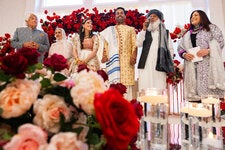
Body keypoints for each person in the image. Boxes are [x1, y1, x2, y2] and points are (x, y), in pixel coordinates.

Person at [177, 10, 225, 101]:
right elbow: (180, 48)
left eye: (196, 15)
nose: (193, 17)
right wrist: (184, 54)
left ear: (202, 16)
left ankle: (212, 114)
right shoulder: (187, 34)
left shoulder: (211, 28)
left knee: (210, 99)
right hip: (191, 67)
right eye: (191, 16)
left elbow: (220, 42)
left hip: (208, 66)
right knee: (196, 98)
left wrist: (208, 50)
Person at [100, 7, 137, 100]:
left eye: (121, 13)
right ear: (115, 17)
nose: (119, 14)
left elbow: (135, 44)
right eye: (117, 13)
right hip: (113, 62)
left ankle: (128, 110)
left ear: (125, 16)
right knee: (114, 87)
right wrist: (104, 56)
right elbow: (106, 45)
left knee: (127, 86)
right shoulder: (109, 30)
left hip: (127, 62)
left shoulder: (131, 29)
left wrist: (134, 56)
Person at [136, 9, 174, 91]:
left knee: (159, 88)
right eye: (150, 16)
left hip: (160, 64)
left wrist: (168, 63)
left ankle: (160, 103)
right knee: (145, 88)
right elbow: (138, 44)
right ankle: (145, 104)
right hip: (146, 64)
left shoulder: (165, 33)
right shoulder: (145, 31)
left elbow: (170, 49)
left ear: (159, 19)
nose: (152, 18)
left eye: (154, 16)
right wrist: (143, 30)